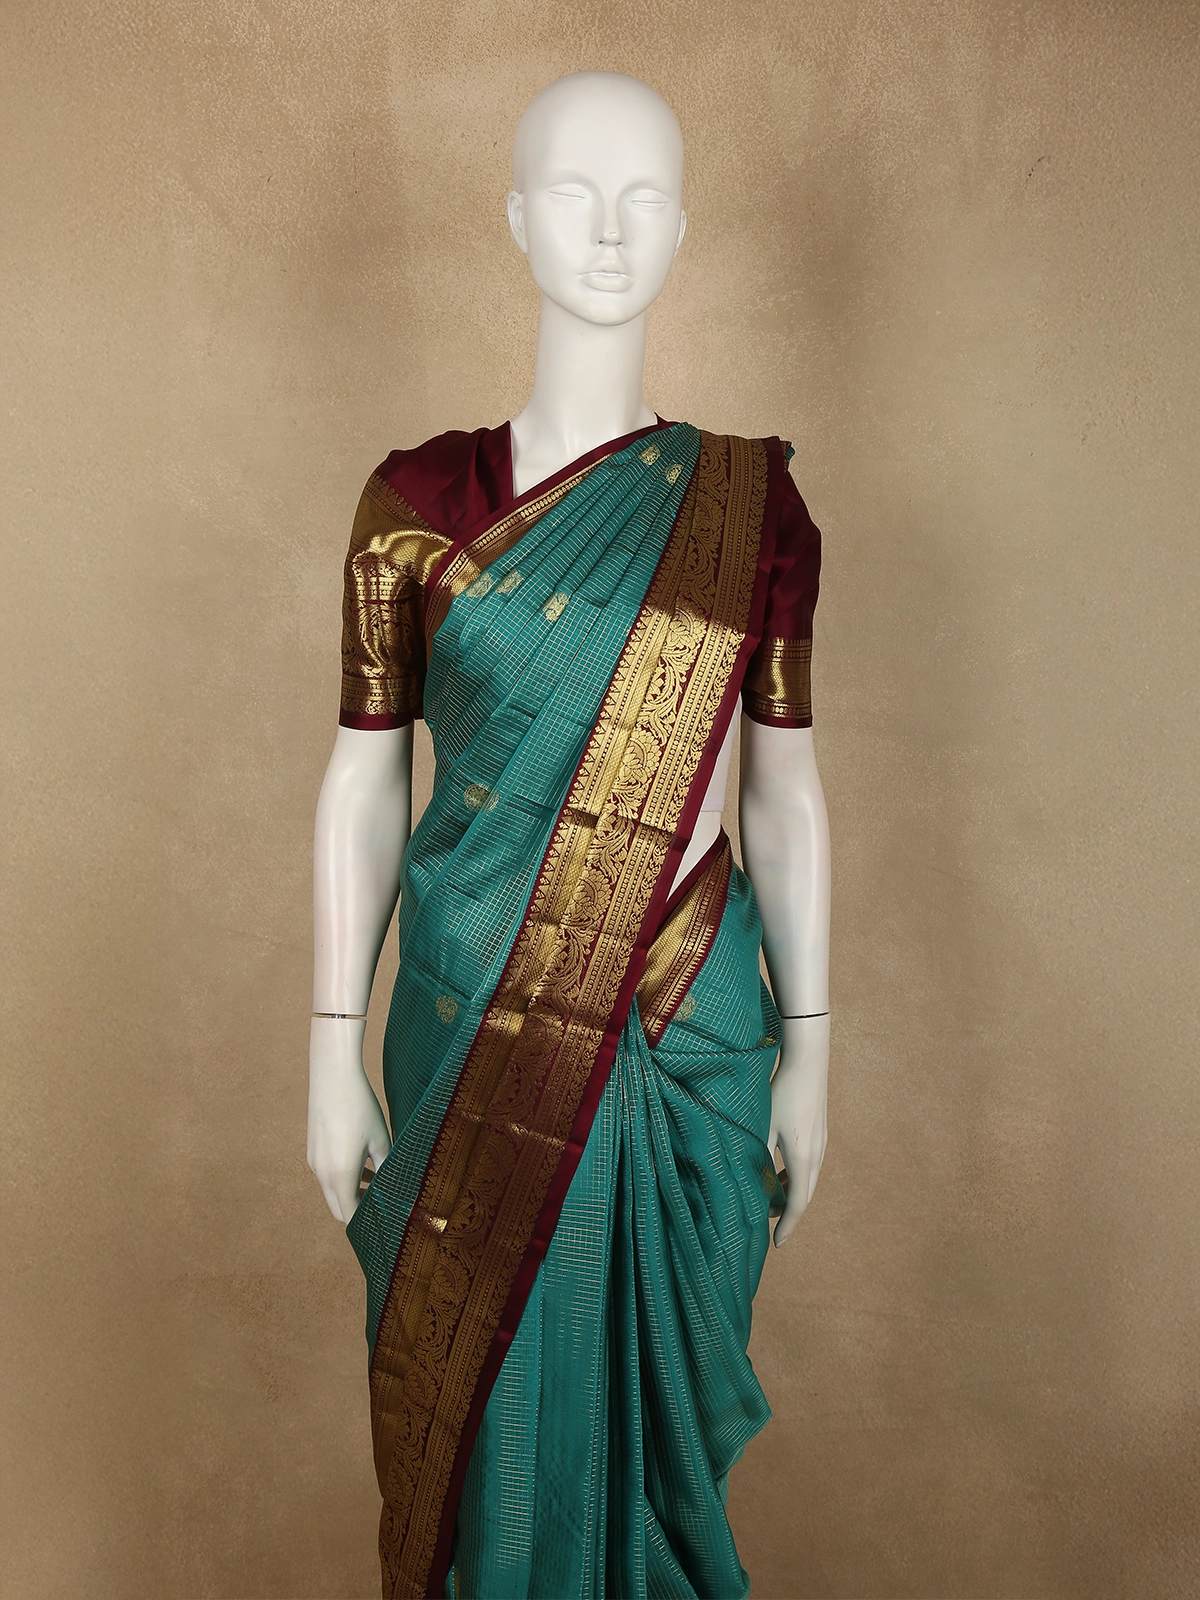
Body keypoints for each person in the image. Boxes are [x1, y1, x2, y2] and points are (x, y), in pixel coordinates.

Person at [307, 70, 831, 1600]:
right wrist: (326, 1041)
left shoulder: (752, 511)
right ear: (517, 220)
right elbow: (362, 777)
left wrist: (815, 1040)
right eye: (576, 196)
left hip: (680, 1025)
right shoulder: (414, 504)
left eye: (645, 198)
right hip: (469, 1010)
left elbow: (783, 789)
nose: (609, 231)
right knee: (487, 1444)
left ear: (684, 229)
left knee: (646, 1451)